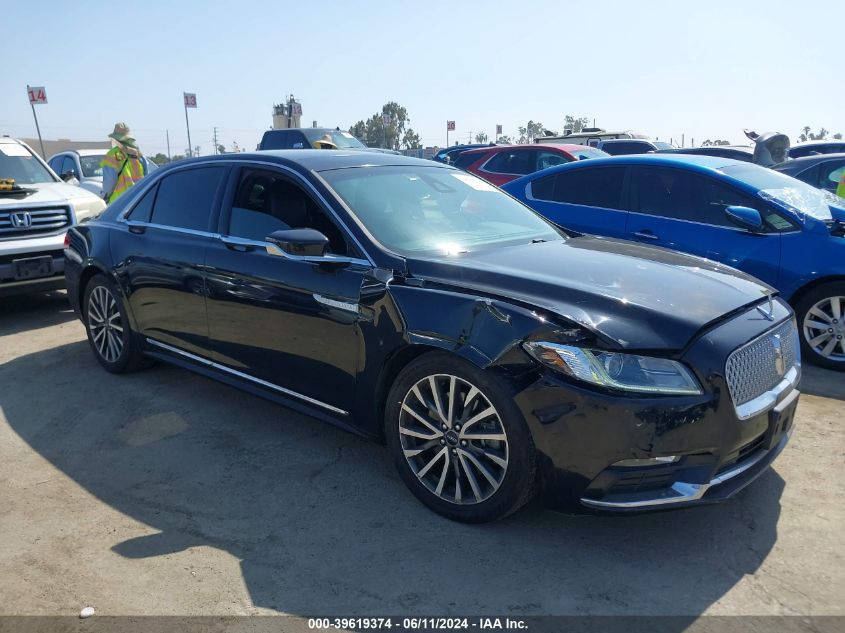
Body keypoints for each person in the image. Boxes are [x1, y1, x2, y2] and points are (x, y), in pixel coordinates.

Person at [100, 122, 146, 203]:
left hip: (119, 204)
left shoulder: (112, 155)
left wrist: (104, 197)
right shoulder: (140, 155)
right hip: (138, 201)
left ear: (116, 139)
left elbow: (109, 183)